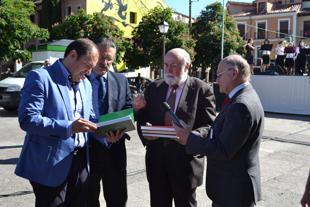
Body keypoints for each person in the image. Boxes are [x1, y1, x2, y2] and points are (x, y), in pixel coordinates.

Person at [15, 38, 99, 207]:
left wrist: (105, 132)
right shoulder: (40, 77)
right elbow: (28, 119)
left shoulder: (86, 85)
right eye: (87, 65)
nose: (89, 72)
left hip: (81, 162)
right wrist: (68, 127)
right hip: (50, 164)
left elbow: (90, 118)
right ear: (72, 55)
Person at [174, 54, 264, 207]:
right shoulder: (244, 97)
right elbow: (220, 131)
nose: (217, 80)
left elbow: (223, 150)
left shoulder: (240, 106)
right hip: (233, 189)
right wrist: (193, 132)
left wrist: (189, 139)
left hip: (234, 192)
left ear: (234, 73)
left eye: (219, 75)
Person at [133, 48, 216, 207]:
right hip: (157, 162)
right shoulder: (154, 88)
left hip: (185, 164)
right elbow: (143, 116)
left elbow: (209, 125)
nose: (169, 70)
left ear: (187, 66)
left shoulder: (202, 89)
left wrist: (190, 136)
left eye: (174, 65)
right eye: (166, 65)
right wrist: (146, 132)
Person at [87, 38, 132, 207]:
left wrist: (117, 132)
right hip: (87, 150)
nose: (104, 63)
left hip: (115, 149)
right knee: (88, 198)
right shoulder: (80, 79)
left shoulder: (121, 80)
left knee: (117, 199)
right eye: (101, 57)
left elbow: (128, 107)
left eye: (109, 59)